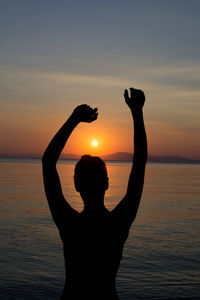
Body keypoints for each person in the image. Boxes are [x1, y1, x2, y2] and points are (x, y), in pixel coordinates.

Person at [42, 87, 148, 299]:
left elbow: (48, 163)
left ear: (77, 185)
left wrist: (74, 119)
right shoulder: (118, 223)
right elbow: (139, 164)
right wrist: (137, 112)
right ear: (107, 183)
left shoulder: (69, 224)